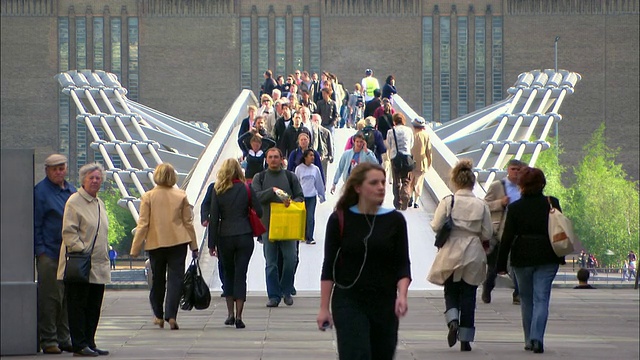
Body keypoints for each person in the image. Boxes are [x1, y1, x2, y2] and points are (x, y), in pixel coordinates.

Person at [317, 162, 411, 360]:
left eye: (383, 182)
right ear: (358, 188)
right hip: (349, 300)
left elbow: (403, 264)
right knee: (356, 354)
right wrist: (324, 308)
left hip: (384, 303)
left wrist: (402, 295)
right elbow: (329, 267)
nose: (381, 187)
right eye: (374, 182)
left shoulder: (395, 221)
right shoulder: (339, 219)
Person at [496, 167, 566, 354]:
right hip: (548, 255)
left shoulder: (516, 208)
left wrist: (501, 264)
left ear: (521, 185)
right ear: (542, 184)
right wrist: (562, 255)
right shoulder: (552, 203)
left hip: (522, 256)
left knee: (527, 300)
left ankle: (528, 340)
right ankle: (538, 338)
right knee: (542, 298)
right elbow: (560, 229)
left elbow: (507, 237)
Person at [427, 159, 492, 352]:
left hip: (451, 250)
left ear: (455, 181)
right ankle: (465, 339)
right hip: (473, 249)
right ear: (472, 183)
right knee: (469, 295)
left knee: (451, 290)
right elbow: (487, 233)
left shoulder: (449, 201)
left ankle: (452, 319)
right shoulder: (481, 205)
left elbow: (436, 225)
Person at [130, 163, 199, 331]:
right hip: (178, 242)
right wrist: (194, 245)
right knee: (176, 280)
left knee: (157, 280)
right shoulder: (181, 195)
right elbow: (187, 223)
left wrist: (135, 248)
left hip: (156, 243)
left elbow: (143, 224)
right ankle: (171, 315)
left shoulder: (148, 197)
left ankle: (159, 315)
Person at [57, 162, 110, 356]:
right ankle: (79, 344)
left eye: (98, 178)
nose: (95, 181)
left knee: (94, 306)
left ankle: (90, 341)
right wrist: (82, 250)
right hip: (80, 264)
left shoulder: (99, 203)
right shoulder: (74, 201)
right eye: (91, 178)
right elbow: (69, 232)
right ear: (83, 180)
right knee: (78, 306)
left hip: (98, 265)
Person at [207, 159, 262, 329]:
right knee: (241, 274)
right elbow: (259, 211)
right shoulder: (247, 188)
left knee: (229, 274)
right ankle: (239, 316)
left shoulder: (218, 190)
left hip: (225, 237)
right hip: (244, 235)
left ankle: (230, 314)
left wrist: (211, 243)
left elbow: (214, 219)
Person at [34, 154, 76, 354]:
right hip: (49, 253)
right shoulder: (40, 192)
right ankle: (49, 339)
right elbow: (36, 224)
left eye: (62, 168)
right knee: (50, 298)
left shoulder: (71, 190)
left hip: (69, 253)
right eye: (55, 169)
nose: (59, 172)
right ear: (47, 171)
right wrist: (40, 251)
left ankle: (63, 337)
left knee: (67, 297)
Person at [252, 148, 304, 307]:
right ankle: (274, 295)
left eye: (276, 157)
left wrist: (291, 201)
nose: (273, 159)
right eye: (270, 157)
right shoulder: (259, 177)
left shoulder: (290, 176)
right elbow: (255, 197)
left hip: (288, 226)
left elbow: (300, 196)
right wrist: (272, 191)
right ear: (266, 159)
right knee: (271, 263)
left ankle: (286, 290)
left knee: (291, 259)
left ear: (282, 159)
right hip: (267, 226)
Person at [482, 159, 526, 305]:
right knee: (494, 266)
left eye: (519, 170)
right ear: (508, 170)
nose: (516, 172)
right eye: (513, 169)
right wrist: (499, 203)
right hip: (499, 232)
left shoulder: (524, 187)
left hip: (518, 233)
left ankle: (518, 294)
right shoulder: (497, 186)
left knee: (517, 265)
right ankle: (487, 288)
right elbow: (485, 205)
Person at [294, 149, 326, 245]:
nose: (313, 157)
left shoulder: (315, 169)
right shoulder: (299, 169)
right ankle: (302, 234)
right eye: (310, 155)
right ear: (305, 157)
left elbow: (319, 183)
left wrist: (321, 195)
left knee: (310, 217)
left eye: (313, 155)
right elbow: (296, 183)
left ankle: (310, 237)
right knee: (302, 216)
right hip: (301, 197)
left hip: (312, 196)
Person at [387, 113, 414, 210]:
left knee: (396, 180)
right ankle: (406, 194)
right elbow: (411, 144)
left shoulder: (391, 131)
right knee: (406, 180)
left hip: (395, 158)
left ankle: (397, 202)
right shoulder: (409, 130)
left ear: (394, 121)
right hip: (407, 157)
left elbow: (389, 145)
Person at [409, 117, 432, 209]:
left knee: (410, 180)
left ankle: (410, 196)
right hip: (422, 162)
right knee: (419, 182)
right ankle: (416, 201)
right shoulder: (426, 135)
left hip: (410, 161)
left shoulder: (411, 134)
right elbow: (428, 151)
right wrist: (429, 162)